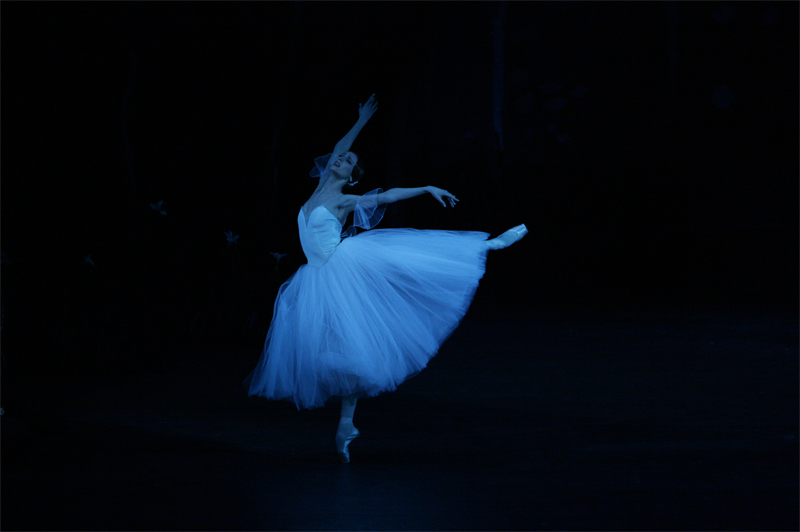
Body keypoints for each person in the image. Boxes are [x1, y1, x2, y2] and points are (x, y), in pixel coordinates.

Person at [247, 94, 527, 463]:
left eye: (348, 162)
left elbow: (388, 195)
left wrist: (426, 188)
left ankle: (486, 246)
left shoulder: (343, 201)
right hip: (315, 279)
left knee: (404, 271)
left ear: (351, 176)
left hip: (340, 269)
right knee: (346, 354)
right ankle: (346, 425)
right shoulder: (317, 192)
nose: (341, 159)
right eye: (339, 158)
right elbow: (339, 145)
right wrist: (361, 120)